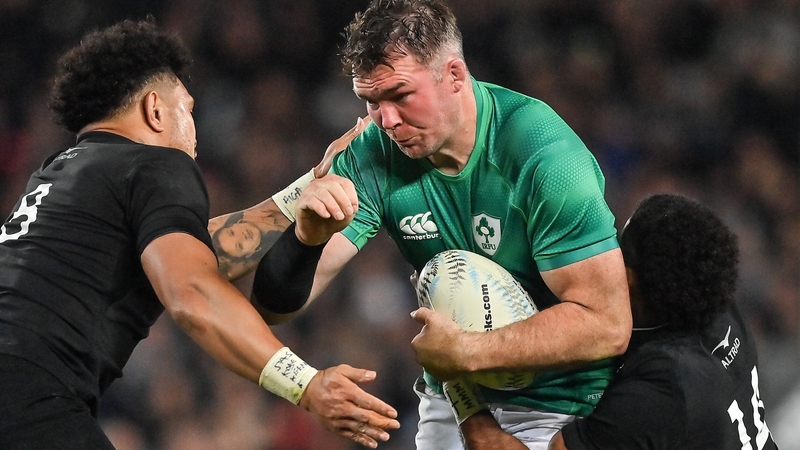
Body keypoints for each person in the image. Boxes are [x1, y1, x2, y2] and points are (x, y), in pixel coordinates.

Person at [0, 19, 400, 449]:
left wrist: (308, 185)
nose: (194, 135)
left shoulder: (63, 174)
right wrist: (306, 384)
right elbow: (192, 290)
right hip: (27, 396)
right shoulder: (156, 163)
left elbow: (196, 251)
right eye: (187, 110)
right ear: (155, 109)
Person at [253, 0, 632, 448]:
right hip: (456, 394)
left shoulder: (544, 156)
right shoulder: (373, 151)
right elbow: (275, 308)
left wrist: (468, 352)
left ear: (454, 75)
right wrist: (304, 239)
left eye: (400, 95)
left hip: (562, 403)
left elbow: (607, 324)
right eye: (371, 101)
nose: (387, 120)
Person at [438, 194, 780, 450]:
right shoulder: (715, 305)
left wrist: (455, 376)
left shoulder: (658, 393)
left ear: (628, 278)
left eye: (616, 245)